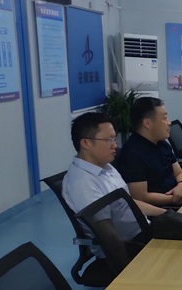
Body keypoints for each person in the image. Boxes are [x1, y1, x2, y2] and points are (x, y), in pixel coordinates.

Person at [63, 112, 166, 261]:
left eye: (114, 139)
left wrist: (166, 214)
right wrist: (129, 269)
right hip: (131, 247)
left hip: (144, 231)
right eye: (108, 140)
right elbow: (109, 236)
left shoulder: (105, 167)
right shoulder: (82, 183)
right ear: (86, 144)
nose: (115, 145)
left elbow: (128, 203)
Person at [116, 97, 182, 207]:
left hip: (178, 200)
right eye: (164, 118)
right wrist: (175, 197)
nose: (169, 122)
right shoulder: (132, 154)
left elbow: (179, 173)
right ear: (148, 123)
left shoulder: (162, 143)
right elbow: (140, 197)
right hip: (162, 209)